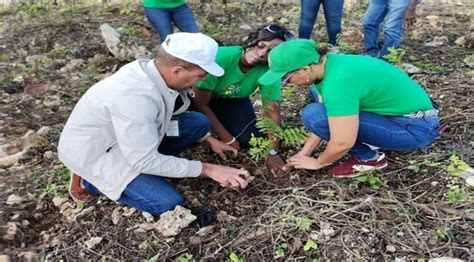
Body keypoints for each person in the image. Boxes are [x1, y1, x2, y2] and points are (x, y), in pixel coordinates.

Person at [59, 33, 253, 216]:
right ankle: (89, 181)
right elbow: (142, 160)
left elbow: (165, 116)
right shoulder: (135, 98)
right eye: (201, 75)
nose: (204, 80)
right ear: (177, 71)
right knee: (166, 202)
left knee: (198, 123)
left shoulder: (153, 72)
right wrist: (209, 169)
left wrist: (209, 139)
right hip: (100, 155)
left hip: (128, 139)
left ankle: (159, 167)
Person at [259, 39, 440, 177]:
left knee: (313, 115)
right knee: (317, 112)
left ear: (305, 69)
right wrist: (305, 152)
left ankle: (371, 159)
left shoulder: (338, 84)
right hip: (407, 116)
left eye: (285, 78)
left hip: (415, 128)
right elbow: (330, 115)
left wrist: (317, 162)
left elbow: (341, 141)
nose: (286, 84)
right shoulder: (330, 65)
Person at [192, 24, 294, 174]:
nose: (261, 54)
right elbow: (200, 104)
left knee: (247, 139)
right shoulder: (222, 57)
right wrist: (227, 138)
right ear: (253, 41)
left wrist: (273, 152)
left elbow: (272, 112)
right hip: (201, 100)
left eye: (270, 52)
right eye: (261, 45)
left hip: (233, 100)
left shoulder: (269, 70)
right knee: (199, 125)